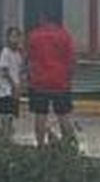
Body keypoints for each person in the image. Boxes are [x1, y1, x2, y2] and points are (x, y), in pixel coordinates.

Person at [25, 9, 76, 147]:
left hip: (40, 82)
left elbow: (29, 60)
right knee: (64, 115)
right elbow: (71, 61)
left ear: (43, 17)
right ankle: (69, 145)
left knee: (40, 114)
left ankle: (40, 145)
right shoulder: (65, 36)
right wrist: (68, 79)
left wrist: (30, 78)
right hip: (60, 82)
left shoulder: (34, 36)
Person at [0, 25, 26, 131]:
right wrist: (13, 85)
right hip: (6, 90)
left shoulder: (18, 54)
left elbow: (20, 70)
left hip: (15, 90)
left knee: (12, 117)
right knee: (5, 116)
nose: (15, 39)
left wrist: (20, 86)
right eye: (13, 36)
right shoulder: (5, 52)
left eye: (18, 36)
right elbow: (5, 71)